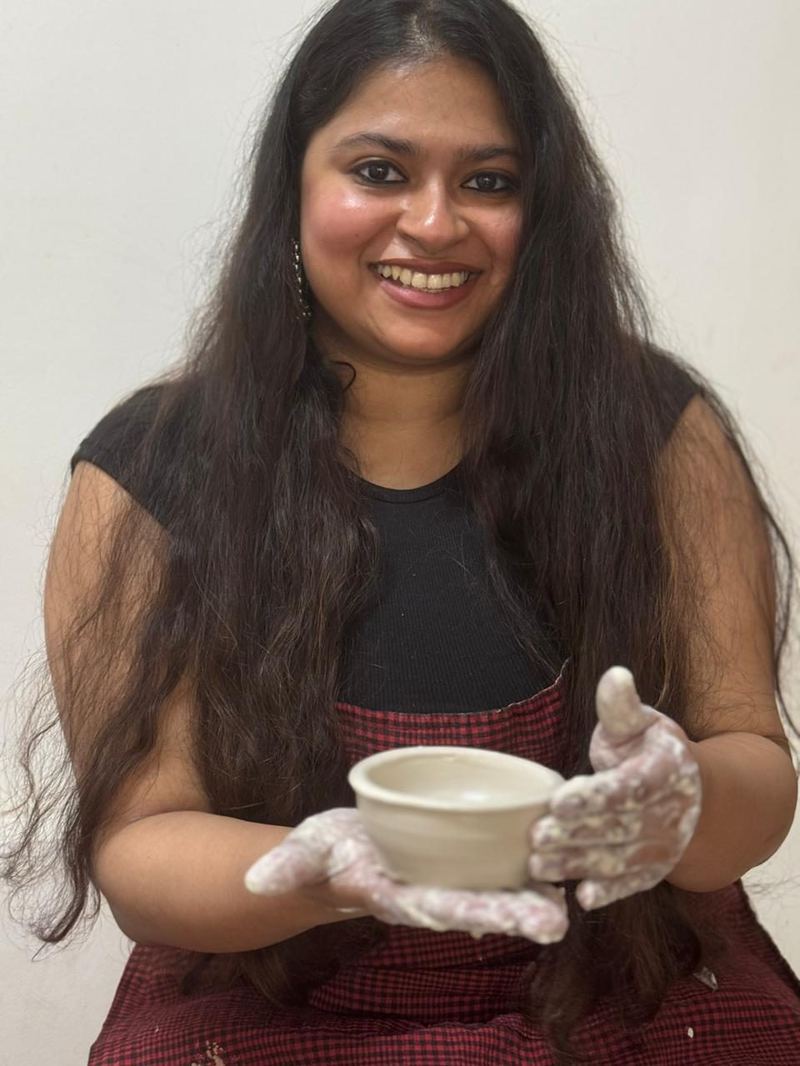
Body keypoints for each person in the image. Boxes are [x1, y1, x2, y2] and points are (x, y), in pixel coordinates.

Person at [4, 0, 799, 1063]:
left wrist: (679, 809)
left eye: (487, 181)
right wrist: (332, 867)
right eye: (378, 170)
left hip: (629, 988)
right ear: (291, 188)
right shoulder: (149, 471)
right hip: (277, 1008)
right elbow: (143, 851)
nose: (432, 224)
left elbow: (753, 769)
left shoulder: (656, 432)